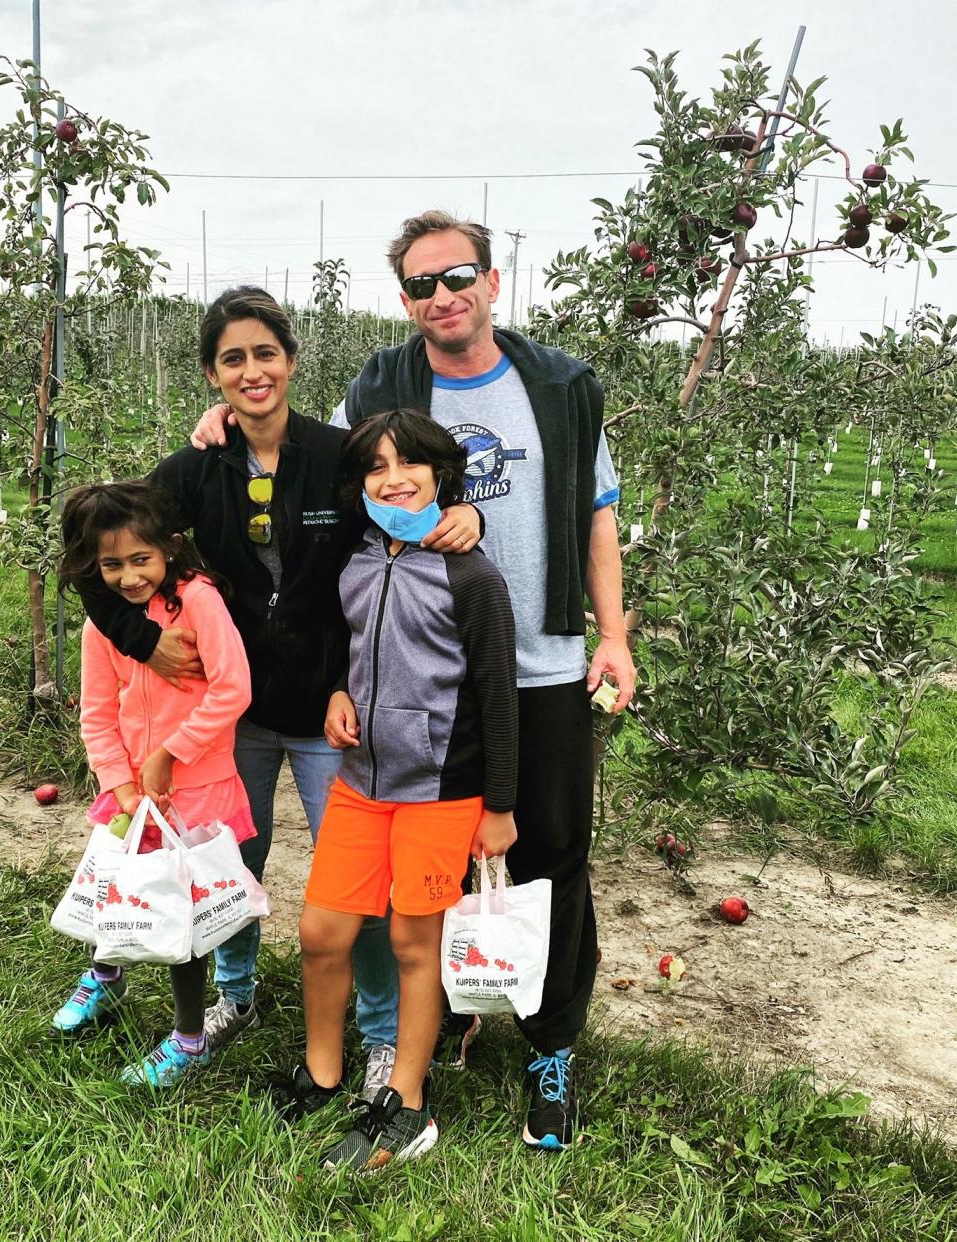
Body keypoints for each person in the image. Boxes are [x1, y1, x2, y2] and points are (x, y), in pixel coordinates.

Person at [190, 211, 635, 1150]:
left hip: (542, 659)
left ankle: (547, 1050)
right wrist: (231, 423)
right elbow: (333, 465)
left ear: (492, 281)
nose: (442, 296)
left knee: (548, 854)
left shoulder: (560, 385)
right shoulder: (385, 382)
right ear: (405, 300)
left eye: (458, 276)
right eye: (423, 285)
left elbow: (599, 513)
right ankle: (451, 1020)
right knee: (434, 876)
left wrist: (614, 634)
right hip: (410, 685)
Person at [81, 287, 482, 1101]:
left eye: (266, 353)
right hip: (233, 716)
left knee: (359, 889)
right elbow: (102, 556)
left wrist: (461, 507)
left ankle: (377, 1033)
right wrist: (141, 639)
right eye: (234, 358)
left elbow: (398, 516)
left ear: (291, 362)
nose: (253, 370)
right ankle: (233, 995)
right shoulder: (192, 470)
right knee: (233, 863)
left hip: (333, 711)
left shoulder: (337, 456)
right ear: (212, 375)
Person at [280, 410, 518, 1171]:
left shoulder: (472, 576)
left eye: (409, 464)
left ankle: (407, 1105)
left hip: (440, 790)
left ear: (442, 475)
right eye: (376, 468)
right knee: (322, 932)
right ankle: (324, 1072)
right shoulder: (354, 560)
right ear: (360, 484)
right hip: (360, 782)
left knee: (416, 944)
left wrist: (500, 808)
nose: (394, 479)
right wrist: (337, 692)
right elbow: (347, 645)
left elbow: (497, 695)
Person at [53, 480, 254, 1089]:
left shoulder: (197, 601)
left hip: (198, 790)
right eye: (111, 565)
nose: (129, 577)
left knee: (181, 923)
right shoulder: (106, 626)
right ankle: (106, 979)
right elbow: (96, 711)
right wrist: (119, 780)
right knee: (117, 890)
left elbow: (233, 688)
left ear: (169, 547)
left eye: (141, 560)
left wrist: (170, 754)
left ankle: (190, 1041)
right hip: (133, 795)